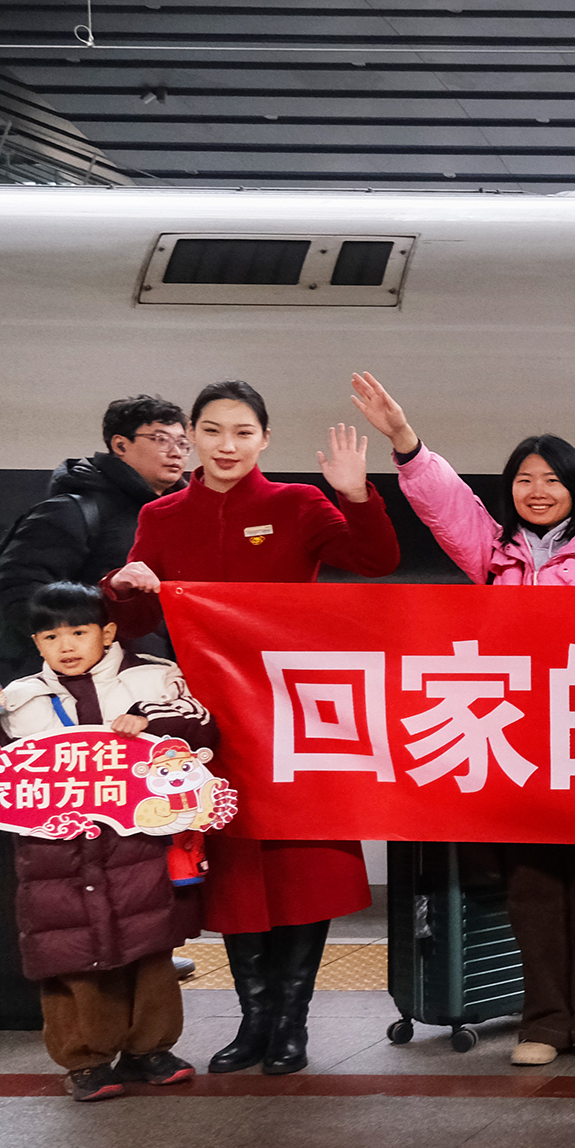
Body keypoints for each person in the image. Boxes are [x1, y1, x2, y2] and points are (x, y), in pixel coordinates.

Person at [349, 371, 575, 1067]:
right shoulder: (497, 555)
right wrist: (405, 441)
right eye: (524, 478)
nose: (537, 490)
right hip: (515, 744)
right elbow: (447, 509)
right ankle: (545, 1022)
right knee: (531, 888)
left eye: (551, 479)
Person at [103, 380, 397, 1076]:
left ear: (265, 439)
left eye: (241, 433)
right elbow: (140, 626)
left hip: (298, 715)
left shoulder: (297, 504)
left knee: (302, 870)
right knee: (230, 866)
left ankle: (291, 1024)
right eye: (211, 432)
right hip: (209, 725)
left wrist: (358, 495)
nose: (226, 446)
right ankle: (253, 1022)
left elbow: (377, 560)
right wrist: (124, 586)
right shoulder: (164, 516)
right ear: (191, 440)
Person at [0, 582, 214, 1100]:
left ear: (107, 632)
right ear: (35, 642)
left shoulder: (152, 677)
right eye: (50, 636)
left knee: (149, 949)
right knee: (70, 954)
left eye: (79, 632)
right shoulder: (18, 699)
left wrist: (154, 720)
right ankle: (84, 1060)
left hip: (138, 848)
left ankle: (149, 1050)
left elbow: (203, 728)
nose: (65, 645)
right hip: (55, 854)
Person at [0, 395, 190, 679]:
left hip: (155, 683)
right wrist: (85, 646)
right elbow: (18, 592)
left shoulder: (181, 519)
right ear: (120, 444)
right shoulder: (72, 510)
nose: (176, 452)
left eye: (183, 443)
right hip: (74, 686)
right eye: (161, 439)